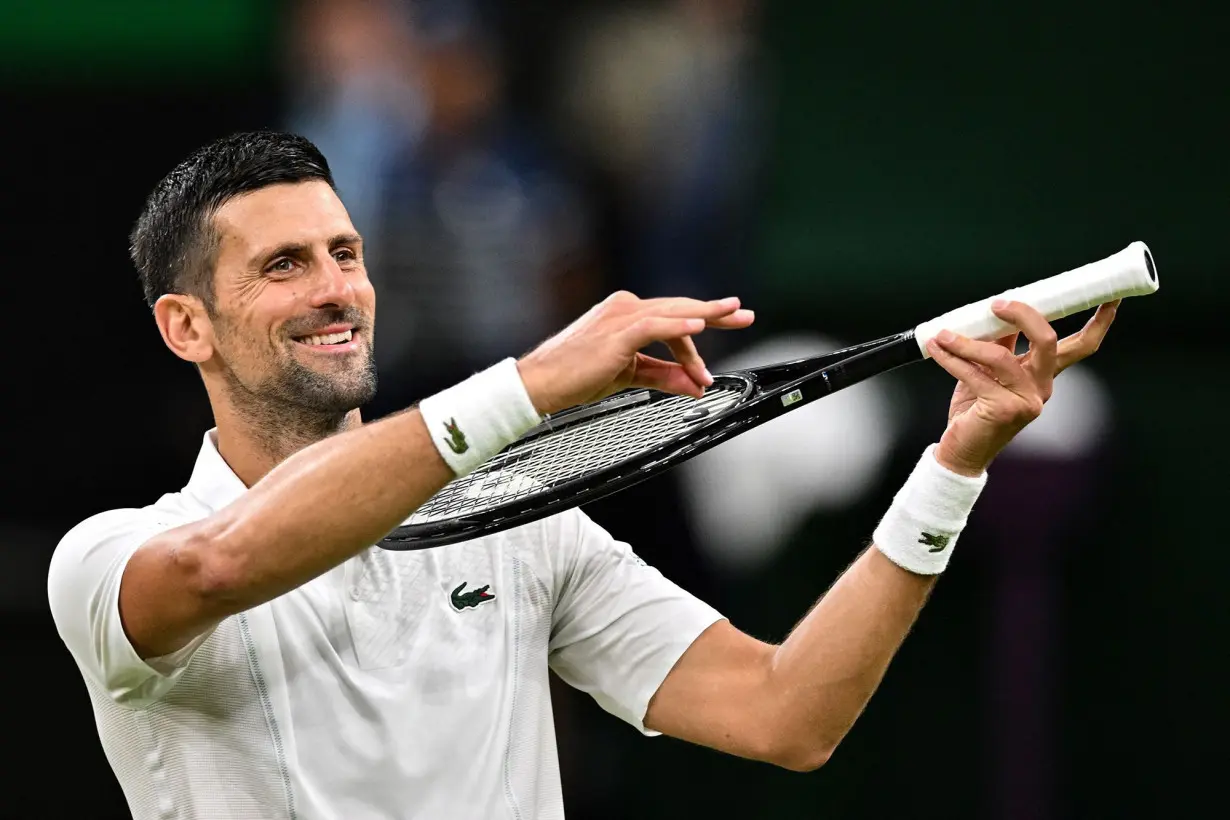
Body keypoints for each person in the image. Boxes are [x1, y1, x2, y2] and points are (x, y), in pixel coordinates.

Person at [47, 132, 1120, 820]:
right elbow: (224, 563)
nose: (336, 289)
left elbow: (786, 713)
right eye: (284, 265)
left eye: (345, 253)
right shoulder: (109, 559)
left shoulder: (521, 526)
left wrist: (955, 465)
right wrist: (529, 383)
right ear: (186, 325)